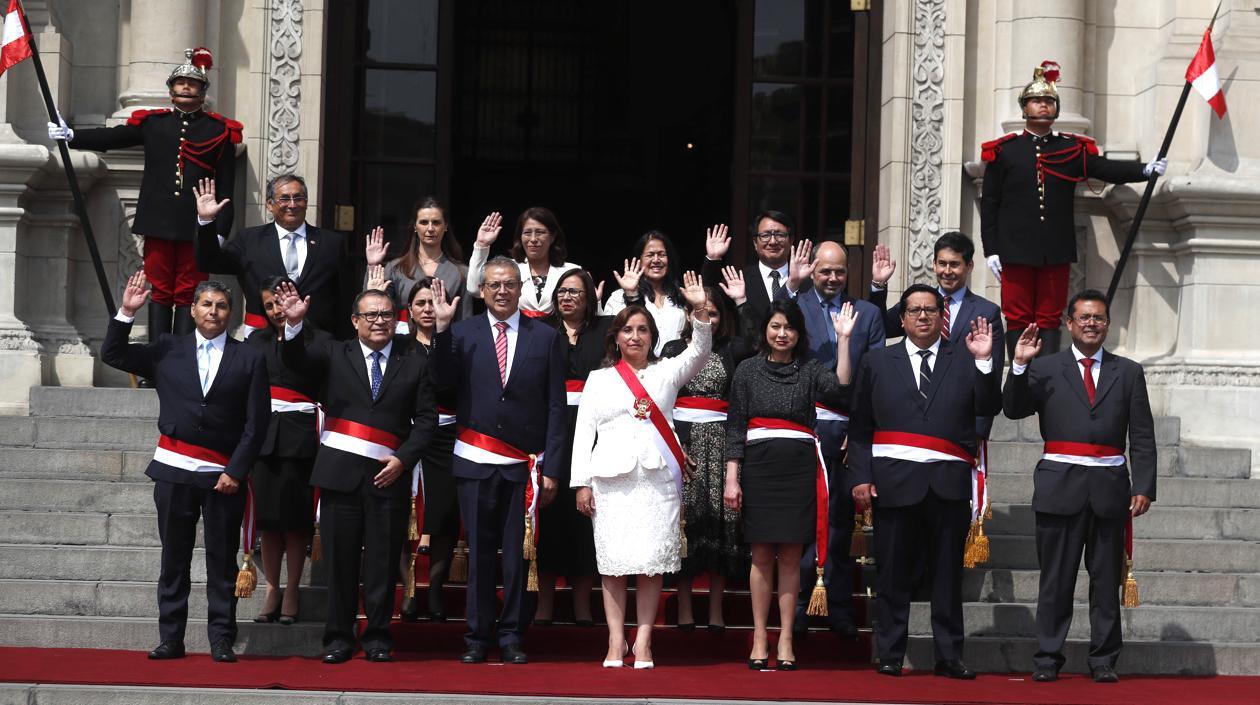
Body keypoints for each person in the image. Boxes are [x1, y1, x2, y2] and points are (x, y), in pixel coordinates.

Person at [101, 271, 269, 663]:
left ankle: (221, 639)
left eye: (221, 306)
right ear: (192, 310)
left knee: (221, 561)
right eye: (206, 304)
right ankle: (171, 638)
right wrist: (126, 312)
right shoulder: (167, 348)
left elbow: (257, 423)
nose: (214, 311)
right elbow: (113, 354)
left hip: (222, 476)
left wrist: (236, 471)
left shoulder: (249, 357)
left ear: (230, 313)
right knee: (174, 559)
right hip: (174, 470)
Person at [276, 284, 437, 664]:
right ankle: (338, 638)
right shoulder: (334, 353)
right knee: (341, 563)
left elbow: (427, 420)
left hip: (389, 476)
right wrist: (294, 325)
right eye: (371, 315)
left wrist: (404, 459)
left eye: (386, 314)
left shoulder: (413, 361)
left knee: (382, 563)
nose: (380, 321)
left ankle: (378, 636)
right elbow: (296, 363)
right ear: (355, 321)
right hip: (340, 476)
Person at [847, 284, 1001, 679]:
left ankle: (949, 655)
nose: (922, 316)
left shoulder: (966, 359)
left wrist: (985, 362)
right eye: (914, 310)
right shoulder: (877, 361)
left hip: (947, 485)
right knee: (892, 574)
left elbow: (988, 406)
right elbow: (860, 426)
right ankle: (890, 653)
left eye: (930, 309)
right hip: (894, 484)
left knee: (947, 576)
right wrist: (860, 476)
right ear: (901, 318)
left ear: (942, 316)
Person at [1002, 290, 1156, 684]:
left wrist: (1143, 485)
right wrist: (1018, 365)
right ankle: (1047, 658)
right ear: (1069, 323)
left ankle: (1104, 659)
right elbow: (1014, 409)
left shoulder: (1128, 371)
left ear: (1108, 324)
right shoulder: (1045, 367)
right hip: (1059, 488)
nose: (1091, 323)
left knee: (1105, 583)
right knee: (1056, 580)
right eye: (1084, 317)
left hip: (1109, 490)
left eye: (1098, 318)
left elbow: (1141, 434)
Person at [430, 255, 568, 665]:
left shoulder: (545, 337)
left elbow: (556, 406)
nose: (502, 291)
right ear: (482, 290)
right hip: (476, 460)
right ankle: (477, 635)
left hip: (523, 466)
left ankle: (512, 635)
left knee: (518, 554)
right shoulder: (461, 332)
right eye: (494, 285)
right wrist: (441, 331)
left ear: (520, 288)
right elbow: (441, 384)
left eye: (509, 284)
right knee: (480, 553)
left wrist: (553, 469)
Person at [571, 271, 712, 669]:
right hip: (611, 482)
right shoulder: (599, 379)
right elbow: (584, 433)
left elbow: (700, 352)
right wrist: (581, 484)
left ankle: (645, 641)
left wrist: (700, 310)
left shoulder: (668, 371)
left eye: (642, 330)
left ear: (652, 336)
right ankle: (616, 640)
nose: (635, 336)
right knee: (613, 564)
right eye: (627, 330)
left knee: (651, 564)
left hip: (657, 480)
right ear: (616, 337)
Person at [52, 49, 241, 344]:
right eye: (180, 83)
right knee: (161, 291)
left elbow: (227, 188)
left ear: (203, 92)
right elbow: (114, 137)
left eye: (192, 83)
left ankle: (181, 357)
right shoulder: (154, 124)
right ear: (171, 91)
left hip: (198, 226)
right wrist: (73, 136)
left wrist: (219, 232)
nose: (186, 87)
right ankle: (157, 357)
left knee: (190, 293)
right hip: (158, 221)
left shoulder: (220, 132)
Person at [979, 61, 1166, 356]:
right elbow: (990, 203)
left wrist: (1144, 170)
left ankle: (1048, 374)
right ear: (1024, 108)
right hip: (1014, 249)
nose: (1044, 105)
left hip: (1055, 249)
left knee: (1049, 316)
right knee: (1017, 315)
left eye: (1049, 100)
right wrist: (991, 249)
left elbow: (1104, 168)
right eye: (1036, 100)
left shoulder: (1069, 149)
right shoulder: (1004, 151)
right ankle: (1019, 376)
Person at [724, 299, 858, 671]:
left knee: (790, 558)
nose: (782, 334)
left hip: (798, 469)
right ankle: (759, 635)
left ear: (799, 334)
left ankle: (785, 636)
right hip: (759, 468)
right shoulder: (747, 370)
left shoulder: (809, 369)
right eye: (776, 326)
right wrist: (732, 478)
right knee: (761, 555)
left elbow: (841, 385)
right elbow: (735, 426)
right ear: (765, 330)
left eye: (789, 328)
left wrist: (844, 339)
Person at [776, 240, 885, 635]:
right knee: (803, 519)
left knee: (840, 521)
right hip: (804, 429)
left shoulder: (867, 313)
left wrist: (858, 430)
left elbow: (873, 374)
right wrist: (791, 284)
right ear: (813, 271)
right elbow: (771, 333)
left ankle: (838, 606)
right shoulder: (796, 307)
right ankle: (799, 603)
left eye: (839, 271)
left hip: (845, 432)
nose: (833, 278)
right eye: (825, 271)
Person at [366, 272, 462, 623]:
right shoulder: (398, 345)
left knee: (443, 514)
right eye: (420, 303)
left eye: (433, 303)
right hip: (404, 438)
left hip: (446, 437)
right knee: (402, 513)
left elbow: (448, 383)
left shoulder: (455, 342)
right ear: (409, 309)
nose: (428, 309)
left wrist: (442, 335)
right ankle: (407, 587)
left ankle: (434, 587)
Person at [661, 275, 755, 632]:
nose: (709, 319)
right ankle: (684, 608)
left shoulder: (732, 349)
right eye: (702, 312)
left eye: (714, 313)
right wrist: (672, 445)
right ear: (689, 314)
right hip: (682, 446)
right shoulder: (673, 349)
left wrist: (742, 302)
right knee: (685, 524)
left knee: (720, 526)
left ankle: (716, 609)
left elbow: (757, 341)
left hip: (720, 445)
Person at [246, 276, 327, 625]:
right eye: (269, 306)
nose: (277, 310)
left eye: (281, 302)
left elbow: (313, 371)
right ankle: (272, 589)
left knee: (294, 521)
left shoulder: (319, 340)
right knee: (268, 521)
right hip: (264, 438)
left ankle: (292, 590)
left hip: (300, 439)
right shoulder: (255, 341)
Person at [533, 268, 607, 628]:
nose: (567, 297)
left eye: (575, 292)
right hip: (551, 429)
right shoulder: (541, 331)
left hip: (594, 432)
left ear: (589, 298)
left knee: (584, 519)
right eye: (562, 291)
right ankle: (544, 604)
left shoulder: (606, 331)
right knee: (549, 518)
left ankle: (582, 605)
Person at [194, 176, 347, 338]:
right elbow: (209, 262)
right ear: (269, 204)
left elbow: (343, 297)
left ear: (306, 202)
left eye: (298, 198)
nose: (292, 204)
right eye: (284, 199)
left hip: (317, 340)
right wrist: (206, 221)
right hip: (263, 339)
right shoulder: (249, 240)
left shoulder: (331, 243)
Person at [364, 195, 472, 324]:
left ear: (445, 226)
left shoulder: (461, 273)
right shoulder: (396, 268)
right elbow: (370, 308)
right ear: (415, 226)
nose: (430, 228)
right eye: (424, 222)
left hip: (446, 335)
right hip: (403, 335)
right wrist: (373, 266)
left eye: (436, 222)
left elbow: (465, 321)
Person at [466, 208, 580, 316]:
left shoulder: (572, 271)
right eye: (527, 233)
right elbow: (475, 289)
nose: (533, 239)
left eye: (540, 232)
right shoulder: (507, 268)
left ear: (552, 236)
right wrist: (481, 245)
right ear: (520, 237)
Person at [605, 228, 701, 354]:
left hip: (679, 365)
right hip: (635, 365)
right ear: (639, 260)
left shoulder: (682, 296)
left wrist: (713, 259)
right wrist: (631, 294)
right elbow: (608, 339)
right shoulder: (618, 298)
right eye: (650, 255)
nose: (656, 260)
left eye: (661, 254)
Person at [703, 211, 794, 324]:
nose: (772, 241)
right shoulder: (738, 280)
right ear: (755, 243)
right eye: (765, 235)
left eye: (780, 235)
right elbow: (709, 298)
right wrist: (713, 258)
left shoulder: (804, 281)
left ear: (791, 240)